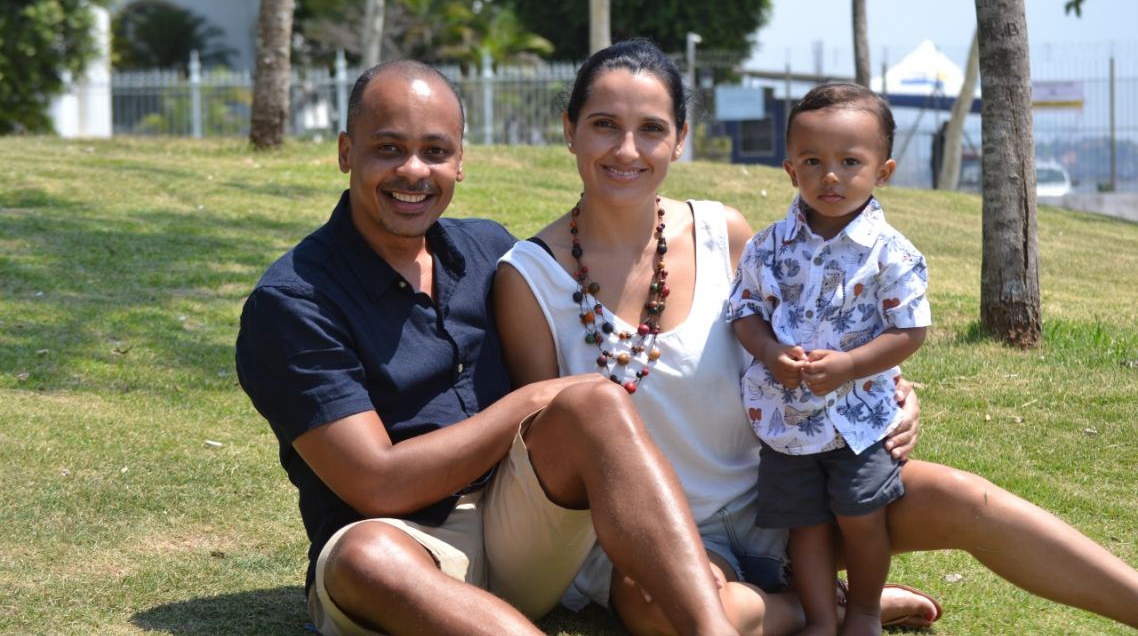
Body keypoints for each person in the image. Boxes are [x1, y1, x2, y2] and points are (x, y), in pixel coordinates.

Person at [493, 38, 1138, 635]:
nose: (628, 150)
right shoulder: (530, 278)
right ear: (570, 129)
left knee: (967, 499)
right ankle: (831, 606)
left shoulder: (723, 232)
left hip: (794, 486)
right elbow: (550, 453)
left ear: (681, 139)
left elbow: (815, 330)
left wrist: (894, 390)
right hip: (665, 541)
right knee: (665, 611)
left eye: (652, 129)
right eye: (605, 124)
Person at [234, 60, 741, 636]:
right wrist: (533, 401)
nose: (413, 170)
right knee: (363, 558)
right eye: (388, 148)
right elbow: (376, 483)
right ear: (347, 152)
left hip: (521, 522)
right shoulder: (295, 303)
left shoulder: (488, 252)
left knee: (595, 404)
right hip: (406, 545)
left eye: (435, 151)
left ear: (460, 160)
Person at [727, 83, 930, 636]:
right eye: (813, 161)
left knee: (861, 517)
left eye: (850, 162)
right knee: (806, 526)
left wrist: (850, 365)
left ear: (883, 171)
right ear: (790, 169)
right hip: (784, 421)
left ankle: (862, 611)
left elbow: (910, 330)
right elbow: (744, 311)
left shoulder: (892, 253)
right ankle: (820, 618)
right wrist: (769, 351)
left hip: (859, 423)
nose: (830, 176)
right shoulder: (767, 247)